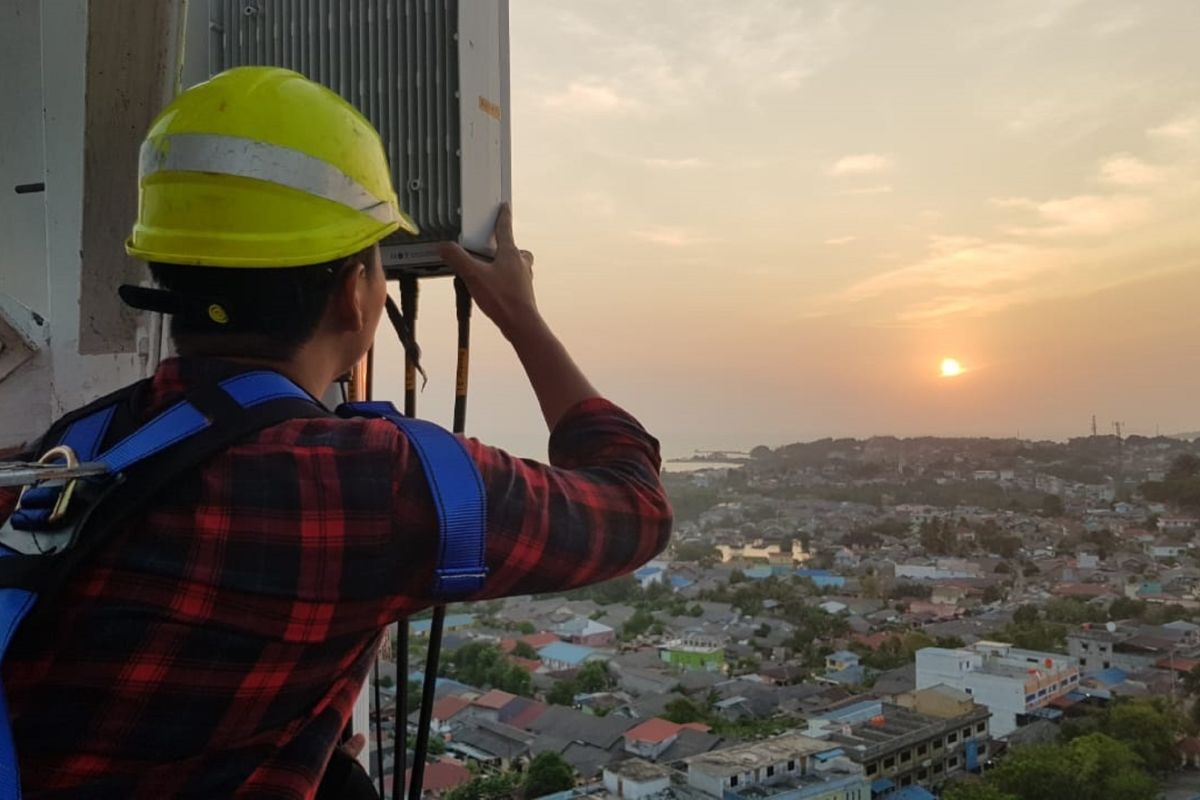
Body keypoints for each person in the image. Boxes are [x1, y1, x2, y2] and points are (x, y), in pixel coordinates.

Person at [0, 67, 672, 798]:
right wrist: (521, 318)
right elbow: (634, 503)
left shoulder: (69, 450)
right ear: (356, 293)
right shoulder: (367, 484)